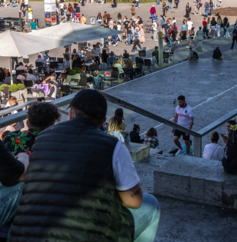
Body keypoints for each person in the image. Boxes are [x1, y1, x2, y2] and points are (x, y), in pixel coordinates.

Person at [9, 89, 161, 241]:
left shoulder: (42, 139)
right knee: (151, 204)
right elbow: (134, 201)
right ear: (103, 122)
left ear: (71, 114)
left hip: (23, 235)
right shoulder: (114, 146)